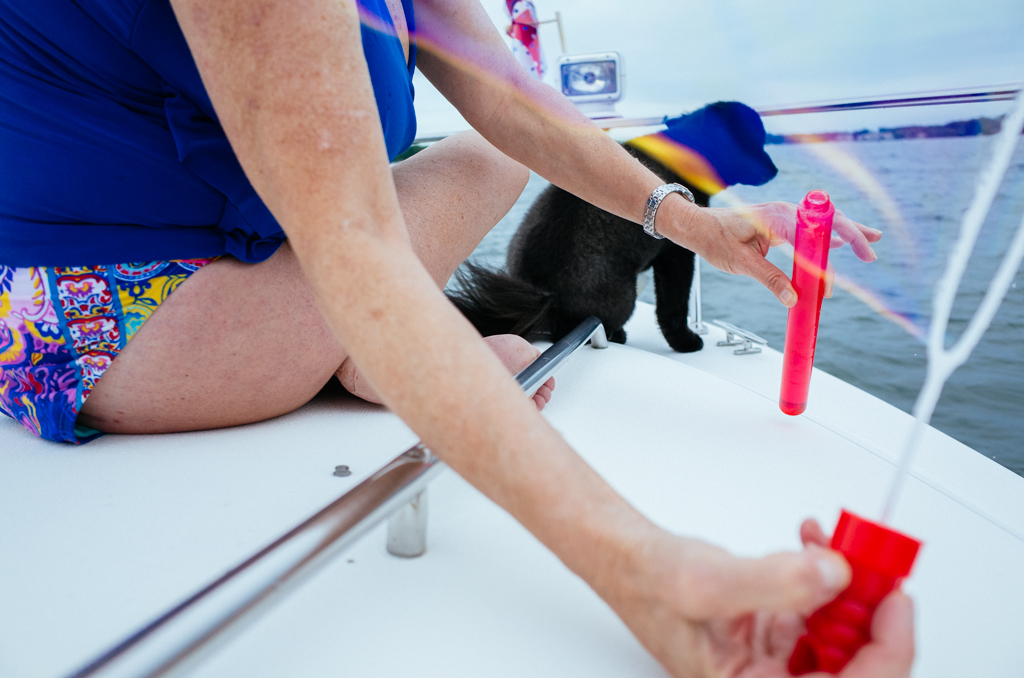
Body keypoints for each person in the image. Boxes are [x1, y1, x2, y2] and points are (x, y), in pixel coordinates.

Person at [0, 0, 911, 675]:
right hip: (107, 325)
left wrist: (693, 225)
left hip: (210, 264)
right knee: (393, 231)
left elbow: (511, 100)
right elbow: (353, 243)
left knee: (492, 150)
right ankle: (384, 352)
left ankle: (386, 350)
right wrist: (649, 574)